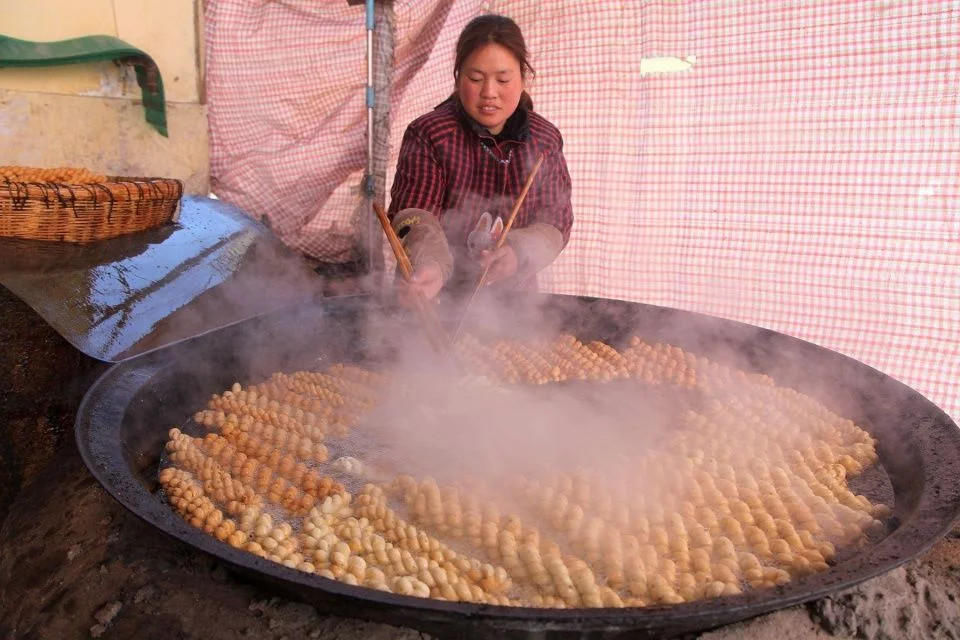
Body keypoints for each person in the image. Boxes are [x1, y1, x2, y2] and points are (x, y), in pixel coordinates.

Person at [388, 14, 573, 303]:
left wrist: (517, 252)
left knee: (513, 349)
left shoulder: (544, 140)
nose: (489, 93)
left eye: (503, 79)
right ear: (457, 75)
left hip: (512, 307)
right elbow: (414, 212)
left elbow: (555, 223)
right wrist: (430, 265)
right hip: (433, 301)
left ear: (523, 77)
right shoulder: (430, 133)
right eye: (475, 78)